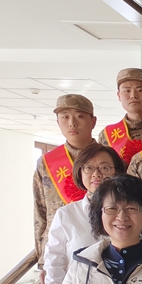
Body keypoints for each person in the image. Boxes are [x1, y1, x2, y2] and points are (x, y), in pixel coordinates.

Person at [43, 143, 125, 284]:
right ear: (80, 172)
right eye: (89, 168)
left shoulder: (129, 213)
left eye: (105, 168)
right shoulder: (66, 215)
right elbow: (54, 264)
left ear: (117, 172)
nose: (97, 174)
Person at [33, 94, 98, 262]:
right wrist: (42, 260)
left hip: (98, 244)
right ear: (58, 122)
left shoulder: (108, 159)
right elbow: (40, 212)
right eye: (65, 117)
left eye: (79, 116)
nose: (72, 123)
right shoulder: (46, 162)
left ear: (93, 121)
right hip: (57, 251)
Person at [97, 68, 142, 158]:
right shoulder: (106, 135)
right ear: (119, 96)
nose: (133, 96)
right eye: (127, 91)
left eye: (140, 90)